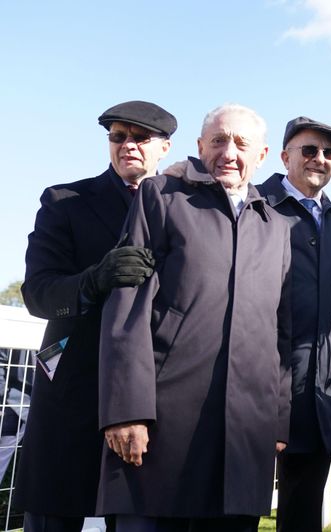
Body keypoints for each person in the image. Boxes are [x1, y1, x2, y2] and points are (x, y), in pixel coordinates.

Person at [97, 104, 292, 532]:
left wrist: (277, 419)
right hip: (161, 427)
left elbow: (279, 331)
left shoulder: (277, 226)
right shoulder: (160, 196)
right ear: (200, 146)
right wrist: (125, 410)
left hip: (244, 434)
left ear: (261, 156)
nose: (229, 152)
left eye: (241, 143)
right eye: (218, 141)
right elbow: (127, 304)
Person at [17, 100, 175, 532]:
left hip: (153, 398)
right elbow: (38, 293)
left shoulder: (187, 210)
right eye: (118, 136)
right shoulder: (66, 201)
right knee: (55, 514)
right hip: (75, 390)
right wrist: (93, 281)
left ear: (165, 147)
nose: (128, 145)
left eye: (141, 138)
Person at [255, 116, 331, 531]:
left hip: (318, 390)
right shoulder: (253, 204)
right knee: (234, 508)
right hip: (254, 384)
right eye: (309, 150)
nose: (320, 159)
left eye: (329, 153)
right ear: (284, 157)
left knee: (302, 512)